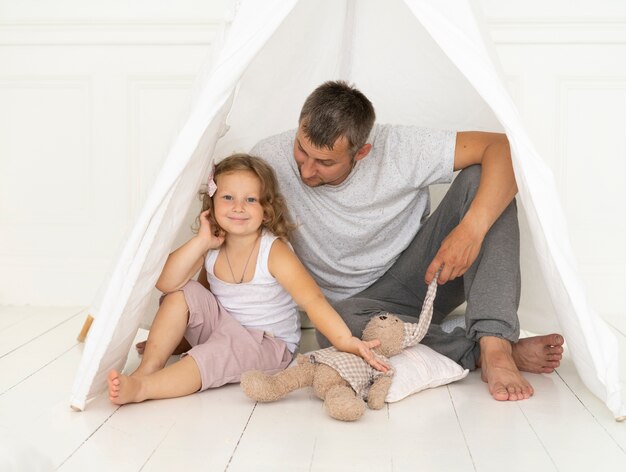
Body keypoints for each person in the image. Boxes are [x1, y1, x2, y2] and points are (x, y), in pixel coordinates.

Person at [249, 80, 565, 402]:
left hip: (421, 274)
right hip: (352, 309)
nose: (305, 170)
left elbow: (505, 150)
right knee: (333, 327)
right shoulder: (268, 157)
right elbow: (230, 213)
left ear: (362, 152)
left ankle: (496, 344)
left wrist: (470, 231)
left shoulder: (399, 147)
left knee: (483, 178)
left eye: (325, 163)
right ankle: (478, 351)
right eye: (302, 150)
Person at [107, 154, 386, 405]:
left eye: (250, 200)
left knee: (214, 354)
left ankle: (145, 388)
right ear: (211, 205)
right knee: (182, 292)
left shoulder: (273, 251)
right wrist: (202, 241)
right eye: (228, 198)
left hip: (267, 344)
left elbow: (312, 300)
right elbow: (170, 285)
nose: (238, 207)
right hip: (224, 329)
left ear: (266, 210)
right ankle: (148, 368)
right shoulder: (212, 247)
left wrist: (346, 340)